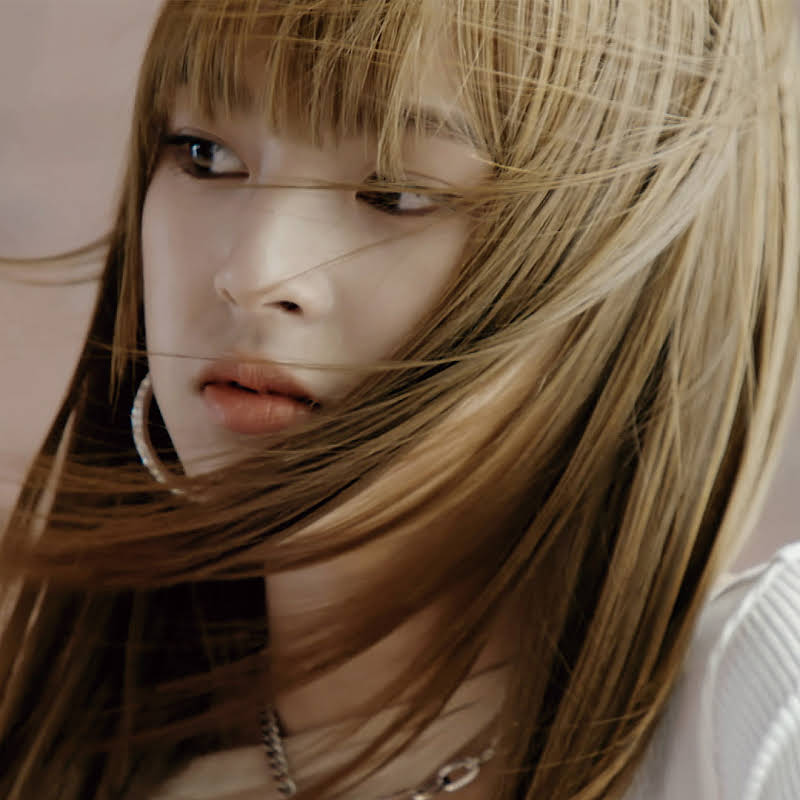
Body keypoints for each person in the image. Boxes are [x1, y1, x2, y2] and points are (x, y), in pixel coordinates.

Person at [1, 1, 799, 798]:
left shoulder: (758, 712)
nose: (251, 273)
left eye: (398, 192)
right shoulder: (70, 763)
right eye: (205, 155)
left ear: (631, 253)